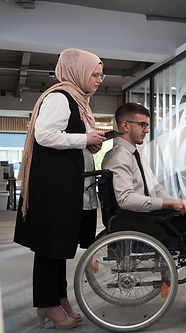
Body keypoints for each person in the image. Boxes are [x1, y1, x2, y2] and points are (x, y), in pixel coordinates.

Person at [101, 102, 186, 299]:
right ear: (125, 125)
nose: (147, 130)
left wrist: (178, 204)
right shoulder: (118, 157)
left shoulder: (136, 153)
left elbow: (155, 188)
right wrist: (170, 205)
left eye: (147, 125)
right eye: (142, 125)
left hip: (150, 216)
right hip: (138, 221)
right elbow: (125, 200)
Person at [14, 48, 107, 330]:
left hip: (64, 185)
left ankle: (59, 298)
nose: (99, 79)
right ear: (77, 71)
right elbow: (45, 134)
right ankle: (46, 304)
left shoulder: (78, 100)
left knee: (59, 247)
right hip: (54, 188)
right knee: (49, 248)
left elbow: (66, 137)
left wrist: (89, 142)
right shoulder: (59, 97)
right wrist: (84, 138)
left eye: (101, 75)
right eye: (95, 73)